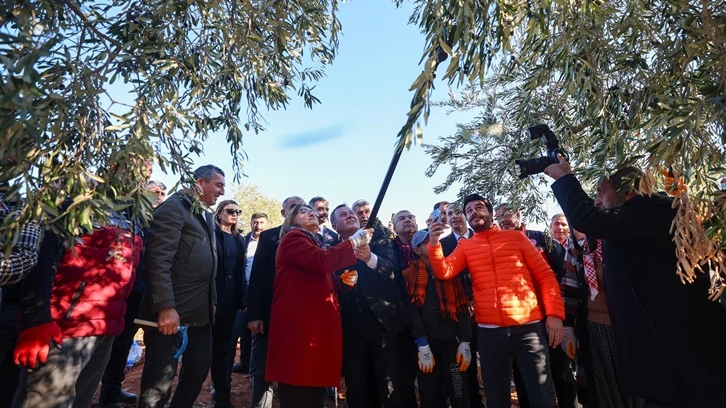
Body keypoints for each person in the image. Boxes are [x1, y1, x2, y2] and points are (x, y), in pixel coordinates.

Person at [545, 158, 726, 407]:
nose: (596, 200)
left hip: (678, 355)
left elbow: (587, 219)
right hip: (669, 352)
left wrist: (565, 177)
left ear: (629, 191)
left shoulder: (651, 212)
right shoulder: (641, 217)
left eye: (600, 192)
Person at [428, 194, 565, 408]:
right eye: (469, 210)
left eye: (479, 207)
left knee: (541, 395)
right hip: (489, 332)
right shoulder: (466, 246)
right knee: (496, 397)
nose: (474, 212)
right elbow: (445, 271)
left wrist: (555, 315)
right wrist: (434, 245)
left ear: (491, 213)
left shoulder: (517, 238)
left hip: (528, 329)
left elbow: (546, 276)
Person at [13, 205, 143, 408]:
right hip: (65, 329)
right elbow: (42, 261)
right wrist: (37, 321)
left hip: (106, 329)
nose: (144, 174)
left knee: (80, 401)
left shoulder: (131, 213)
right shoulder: (79, 201)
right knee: (47, 401)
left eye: (149, 170)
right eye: (141, 169)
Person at [138, 164, 225, 408]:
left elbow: (210, 266)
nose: (221, 191)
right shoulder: (174, 208)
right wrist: (166, 306)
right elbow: (158, 259)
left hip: (201, 312)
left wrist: (213, 302)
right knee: (159, 380)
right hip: (173, 313)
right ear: (200, 182)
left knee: (199, 368)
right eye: (218, 185)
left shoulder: (205, 215)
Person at [266, 203, 369, 407]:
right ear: (291, 220)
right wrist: (353, 242)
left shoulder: (314, 243)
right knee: (298, 385)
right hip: (300, 327)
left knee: (312, 390)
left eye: (312, 211)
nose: (311, 213)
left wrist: (342, 282)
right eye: (304, 212)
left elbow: (319, 276)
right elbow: (321, 262)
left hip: (312, 326)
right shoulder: (293, 238)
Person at [331, 204, 411, 408]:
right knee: (358, 388)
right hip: (350, 330)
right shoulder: (331, 250)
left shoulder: (378, 238)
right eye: (343, 214)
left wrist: (369, 258)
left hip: (384, 325)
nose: (350, 215)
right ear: (334, 225)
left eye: (351, 213)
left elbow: (392, 271)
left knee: (390, 386)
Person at [99, 180, 168, 407]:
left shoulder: (166, 220)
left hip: (151, 294)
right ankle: (108, 396)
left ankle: (126, 393)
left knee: (141, 346)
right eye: (155, 192)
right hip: (127, 292)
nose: (160, 196)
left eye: (163, 193)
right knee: (117, 345)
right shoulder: (132, 218)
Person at [564, 228, 642, 408]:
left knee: (640, 386)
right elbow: (569, 287)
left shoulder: (625, 243)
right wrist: (568, 327)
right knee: (603, 389)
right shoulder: (577, 250)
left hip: (631, 330)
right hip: (595, 330)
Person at [246, 196, 306, 408]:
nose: (299, 211)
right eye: (293, 208)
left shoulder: (314, 239)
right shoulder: (270, 237)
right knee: (264, 370)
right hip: (270, 315)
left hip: (301, 319)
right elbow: (258, 277)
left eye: (303, 208)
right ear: (284, 213)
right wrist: (254, 314)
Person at [405, 229, 471, 408]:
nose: (433, 243)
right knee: (430, 393)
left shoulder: (449, 269)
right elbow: (412, 313)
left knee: (458, 390)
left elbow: (462, 306)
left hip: (452, 341)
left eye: (435, 240)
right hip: (427, 343)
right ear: (417, 250)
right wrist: (421, 344)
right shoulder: (410, 275)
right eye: (427, 241)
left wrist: (465, 341)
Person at [439, 203, 483, 408]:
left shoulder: (482, 236)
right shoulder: (443, 245)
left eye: (458, 212)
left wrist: (475, 298)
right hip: (460, 313)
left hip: (487, 307)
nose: (455, 217)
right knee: (465, 364)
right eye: (450, 214)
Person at [211, 200, 247, 408]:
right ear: (219, 213)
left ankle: (223, 396)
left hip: (232, 301)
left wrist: (243, 297)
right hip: (212, 298)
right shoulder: (211, 235)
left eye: (237, 211)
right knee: (208, 348)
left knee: (224, 349)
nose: (234, 214)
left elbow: (242, 271)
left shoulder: (239, 240)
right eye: (230, 211)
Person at [231, 213, 269, 375]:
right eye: (255, 222)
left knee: (259, 333)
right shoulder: (243, 241)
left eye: (261, 222)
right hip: (243, 291)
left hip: (262, 293)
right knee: (241, 331)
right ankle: (244, 364)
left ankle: (258, 371)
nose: (258, 225)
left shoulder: (271, 242)